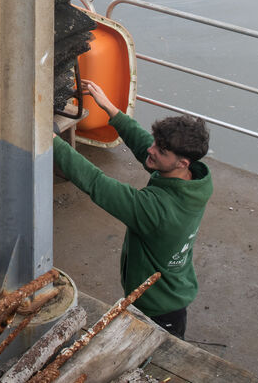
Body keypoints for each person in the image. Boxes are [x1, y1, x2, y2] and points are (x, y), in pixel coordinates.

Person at [52, 79, 212, 339]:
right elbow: (144, 146)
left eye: (161, 150)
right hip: (175, 290)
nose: (151, 150)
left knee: (155, 357)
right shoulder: (195, 180)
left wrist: (53, 141)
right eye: (156, 143)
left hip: (156, 307)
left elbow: (97, 184)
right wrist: (111, 109)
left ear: (182, 162)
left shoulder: (157, 210)